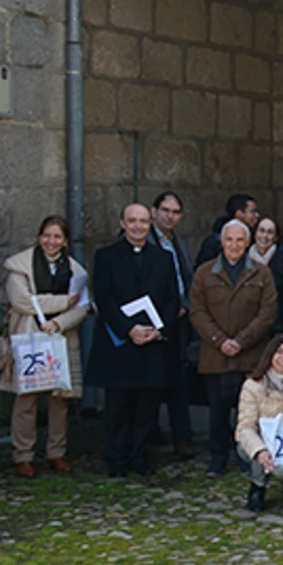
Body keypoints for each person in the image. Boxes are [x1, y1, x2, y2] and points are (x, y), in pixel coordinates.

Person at [88, 203, 183, 478]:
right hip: (119, 343)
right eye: (132, 221)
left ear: (149, 223)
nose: (138, 226)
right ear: (122, 223)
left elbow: (171, 298)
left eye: (143, 221)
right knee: (118, 406)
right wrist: (129, 329)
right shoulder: (106, 256)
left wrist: (158, 329)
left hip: (152, 344)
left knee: (146, 406)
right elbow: (103, 298)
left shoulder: (162, 258)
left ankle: (139, 456)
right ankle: (116, 459)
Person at [189, 220, 280, 477]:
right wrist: (220, 340)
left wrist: (242, 341)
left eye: (240, 240)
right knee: (217, 411)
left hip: (250, 354)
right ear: (221, 241)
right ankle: (217, 457)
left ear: (248, 242)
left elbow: (267, 313)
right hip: (215, 354)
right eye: (229, 239)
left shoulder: (261, 274)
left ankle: (247, 455)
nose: (234, 245)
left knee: (249, 412)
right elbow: (197, 311)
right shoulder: (205, 273)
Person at [1, 216, 89, 477]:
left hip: (60, 336)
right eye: (47, 236)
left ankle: (56, 452)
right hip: (29, 336)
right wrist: (64, 302)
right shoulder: (20, 265)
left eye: (57, 237)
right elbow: (22, 301)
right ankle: (23, 455)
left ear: (65, 241)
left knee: (59, 399)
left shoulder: (76, 270)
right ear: (39, 237)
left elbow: (83, 306)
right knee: (26, 398)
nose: (51, 242)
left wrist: (59, 323)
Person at [233, 334, 283, 512]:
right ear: (270, 354)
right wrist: (259, 450)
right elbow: (245, 427)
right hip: (263, 439)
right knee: (253, 450)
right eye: (279, 352)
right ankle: (258, 486)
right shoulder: (253, 385)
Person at [148, 191, 197, 459]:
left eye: (175, 212)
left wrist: (185, 305)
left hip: (179, 318)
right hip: (154, 319)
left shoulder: (180, 243)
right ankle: (150, 430)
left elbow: (188, 278)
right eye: (165, 210)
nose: (170, 216)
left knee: (178, 379)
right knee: (152, 377)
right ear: (154, 211)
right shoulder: (146, 241)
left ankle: (183, 436)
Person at [194, 193, 260, 268]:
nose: (257, 215)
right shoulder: (214, 242)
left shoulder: (256, 239)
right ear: (239, 214)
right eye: (252, 211)